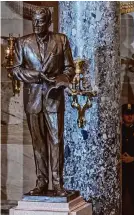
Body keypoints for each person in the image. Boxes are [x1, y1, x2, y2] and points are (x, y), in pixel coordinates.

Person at [11, 7, 75, 196]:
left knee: (56, 141)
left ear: (48, 22)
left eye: (40, 22)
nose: (36, 25)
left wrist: (59, 80)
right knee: (38, 143)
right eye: (34, 21)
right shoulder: (23, 43)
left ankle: (57, 183)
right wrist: (37, 76)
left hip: (54, 98)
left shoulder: (61, 40)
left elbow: (69, 68)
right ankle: (41, 182)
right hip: (33, 100)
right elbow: (15, 70)